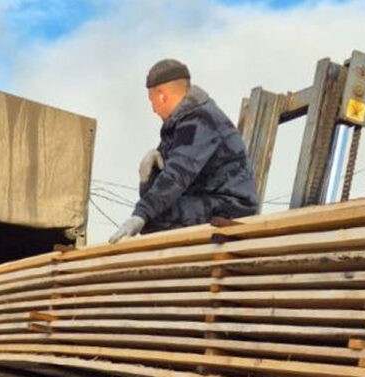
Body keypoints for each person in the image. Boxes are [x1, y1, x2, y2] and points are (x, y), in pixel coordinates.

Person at [110, 59, 259, 243]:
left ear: (162, 96)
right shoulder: (180, 125)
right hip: (206, 199)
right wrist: (147, 177)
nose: (153, 109)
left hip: (232, 206)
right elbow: (163, 189)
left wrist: (141, 214)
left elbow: (177, 175)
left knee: (156, 219)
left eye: (152, 101)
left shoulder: (200, 121)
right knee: (154, 217)